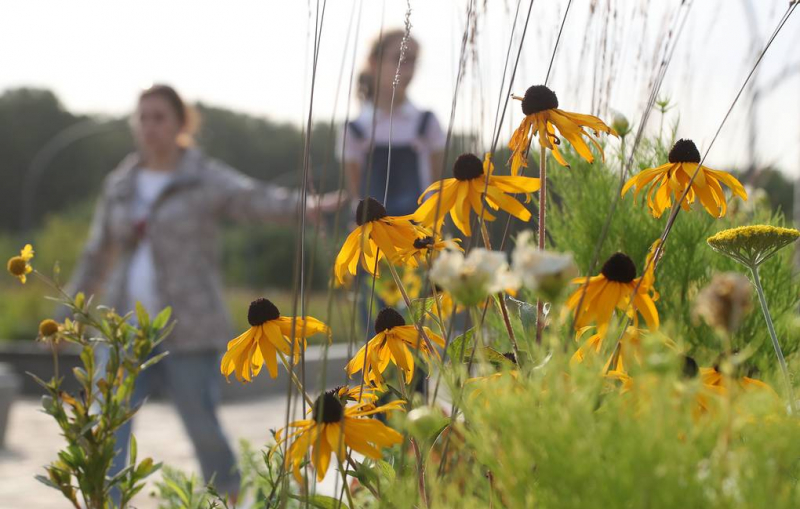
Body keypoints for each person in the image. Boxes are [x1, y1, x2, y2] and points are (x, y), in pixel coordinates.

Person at [66, 84, 339, 500]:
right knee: (109, 426)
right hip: (123, 328)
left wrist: (307, 207)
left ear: (180, 123)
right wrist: (71, 307)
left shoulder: (202, 177)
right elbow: (96, 252)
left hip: (189, 326)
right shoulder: (120, 184)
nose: (150, 126)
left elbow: (253, 198)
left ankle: (231, 498)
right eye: (143, 117)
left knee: (202, 425)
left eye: (159, 117)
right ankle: (107, 502)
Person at [338, 30, 446, 395]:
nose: (406, 68)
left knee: (417, 334)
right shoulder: (355, 129)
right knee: (377, 334)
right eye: (397, 58)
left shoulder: (426, 123)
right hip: (374, 252)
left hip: (415, 246)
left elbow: (437, 191)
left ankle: (415, 429)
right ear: (373, 63)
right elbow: (357, 198)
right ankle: (385, 424)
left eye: (413, 59)